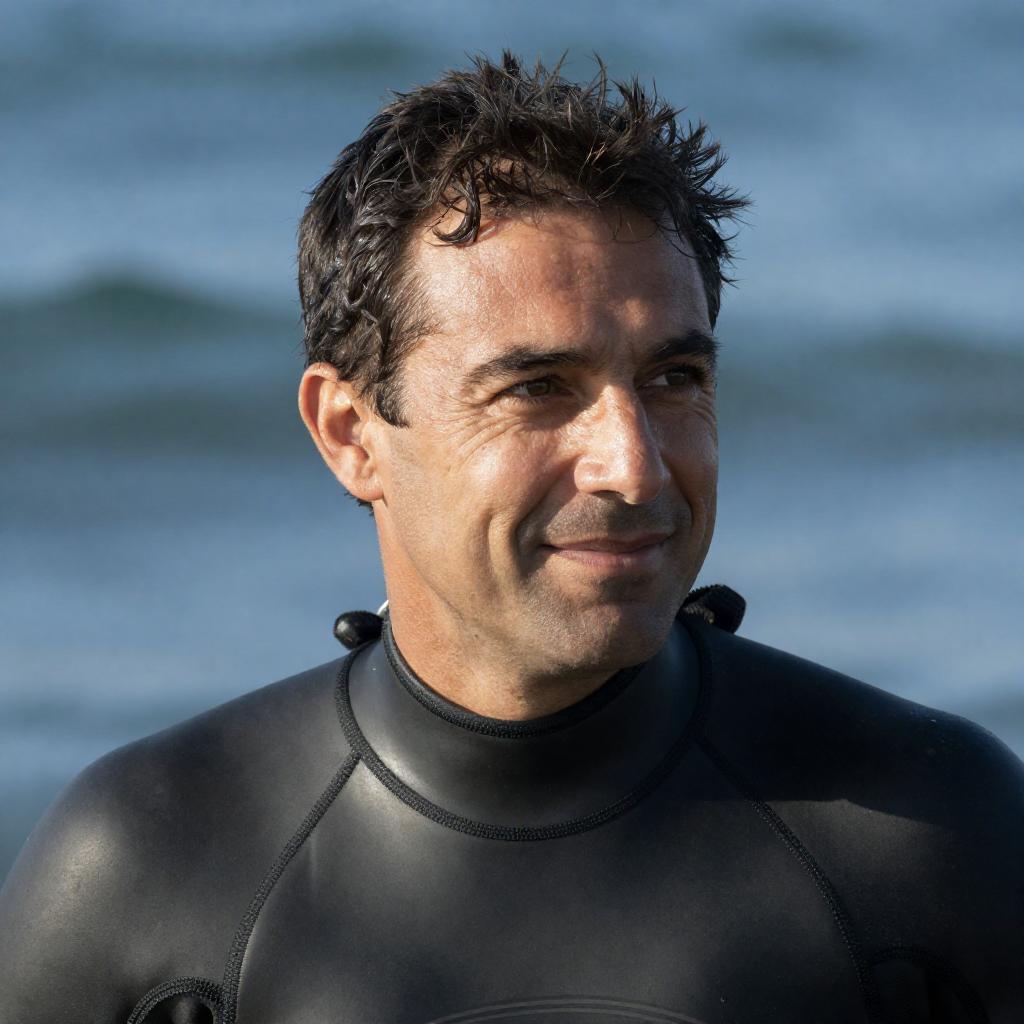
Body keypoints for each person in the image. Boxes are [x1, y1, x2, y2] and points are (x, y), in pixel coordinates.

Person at [1, 52, 1021, 1024]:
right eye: (537, 388)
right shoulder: (147, 866)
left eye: (674, 379)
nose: (633, 467)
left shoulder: (932, 828)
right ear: (351, 434)